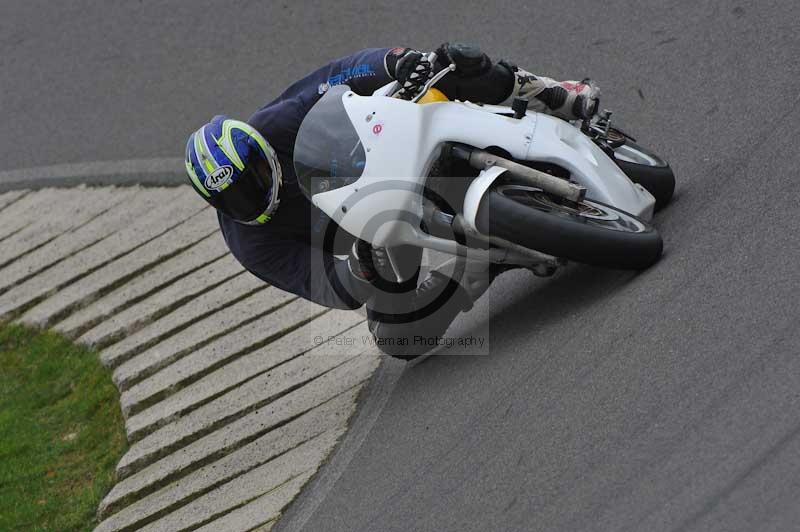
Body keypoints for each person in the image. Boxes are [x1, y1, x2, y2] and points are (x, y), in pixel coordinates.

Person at [184, 43, 600, 358]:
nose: (251, 197)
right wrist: (361, 267)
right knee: (397, 338)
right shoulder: (250, 244)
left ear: (259, 151)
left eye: (252, 178)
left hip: (387, 155)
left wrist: (394, 63)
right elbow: (325, 286)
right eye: (233, 199)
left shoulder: (279, 123)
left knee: (449, 63)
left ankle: (552, 94)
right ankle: (473, 263)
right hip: (382, 239)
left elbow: (339, 74)